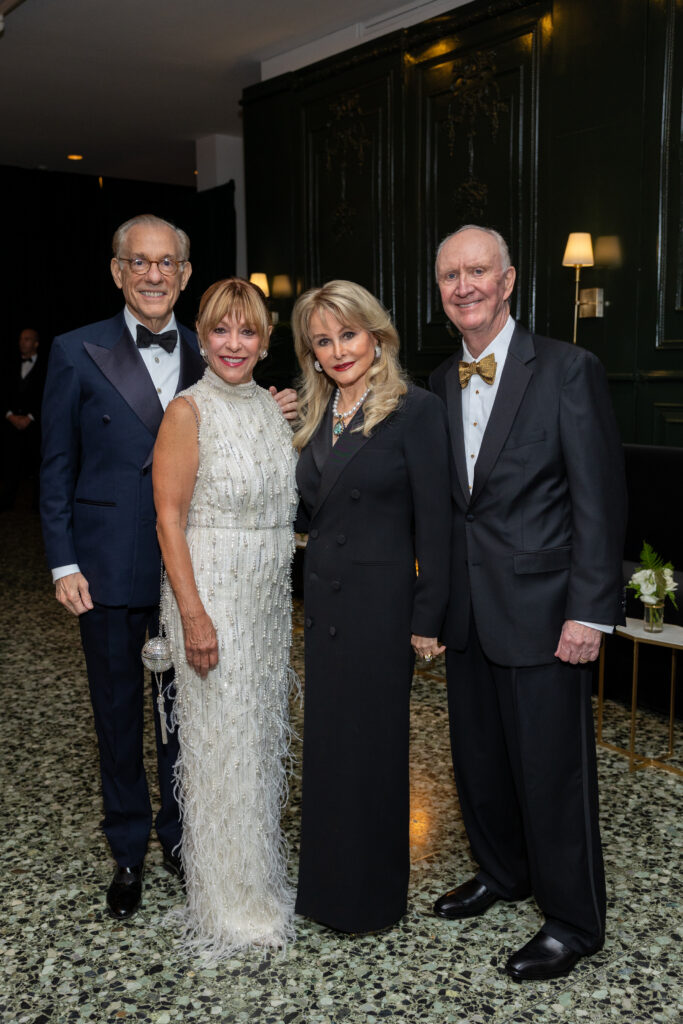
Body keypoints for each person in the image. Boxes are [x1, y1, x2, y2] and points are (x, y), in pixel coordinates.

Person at [40, 214, 296, 922]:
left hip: (197, 573)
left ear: (185, 275)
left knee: (187, 720)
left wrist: (268, 405)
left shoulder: (213, 348)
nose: (153, 274)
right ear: (117, 271)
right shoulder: (73, 350)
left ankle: (188, 841)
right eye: (138, 262)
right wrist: (63, 560)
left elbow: (236, 427)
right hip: (108, 569)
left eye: (167, 264)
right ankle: (127, 850)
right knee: (119, 715)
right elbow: (56, 466)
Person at [429, 225, 627, 981]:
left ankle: (573, 920)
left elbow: (598, 500)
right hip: (469, 615)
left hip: (548, 613)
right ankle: (503, 873)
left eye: (477, 271)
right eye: (449, 275)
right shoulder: (440, 379)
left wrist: (588, 611)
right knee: (478, 761)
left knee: (552, 772)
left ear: (508, 281)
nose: (463, 285)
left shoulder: (568, 369)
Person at [292, 279, 451, 934]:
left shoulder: (416, 411)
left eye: (347, 335)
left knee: (373, 753)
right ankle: (326, 893)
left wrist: (427, 617)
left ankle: (372, 901)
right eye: (322, 341)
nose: (337, 351)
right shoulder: (312, 413)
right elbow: (309, 508)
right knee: (328, 753)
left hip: (380, 611)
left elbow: (436, 524)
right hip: (323, 605)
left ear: (376, 334)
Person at [153, 278, 298, 957]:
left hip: (266, 606)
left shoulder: (272, 411)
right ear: (201, 337)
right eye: (220, 330)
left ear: (265, 340)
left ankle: (256, 880)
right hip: (211, 600)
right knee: (219, 751)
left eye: (247, 331)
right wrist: (193, 617)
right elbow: (169, 519)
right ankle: (224, 900)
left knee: (256, 744)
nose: (233, 344)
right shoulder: (188, 412)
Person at [1, 327, 45, 510]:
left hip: (34, 424)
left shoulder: (46, 366)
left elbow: (47, 395)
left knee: (38, 465)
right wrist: (10, 415)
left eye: (27, 339)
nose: (22, 342)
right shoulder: (9, 364)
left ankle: (38, 505)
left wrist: (30, 417)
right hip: (10, 423)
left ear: (35, 343)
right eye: (21, 339)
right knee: (10, 464)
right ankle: (6, 502)